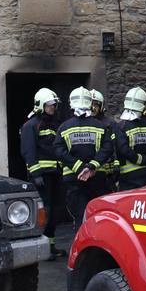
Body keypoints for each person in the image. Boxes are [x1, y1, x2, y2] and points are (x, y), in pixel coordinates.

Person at [54, 87, 115, 234]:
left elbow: (58, 150)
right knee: (98, 216)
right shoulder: (100, 126)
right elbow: (107, 148)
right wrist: (91, 167)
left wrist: (79, 167)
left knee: (80, 217)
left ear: (71, 104)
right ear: (90, 103)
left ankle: (81, 249)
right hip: (97, 177)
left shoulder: (64, 127)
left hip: (74, 178)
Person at [20, 88, 66, 260]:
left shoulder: (55, 124)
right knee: (44, 212)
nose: (53, 108)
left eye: (54, 105)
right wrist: (36, 173)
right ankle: (40, 249)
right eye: (49, 105)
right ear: (40, 105)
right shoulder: (31, 125)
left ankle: (50, 246)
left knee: (55, 211)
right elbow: (28, 151)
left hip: (55, 174)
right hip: (41, 176)